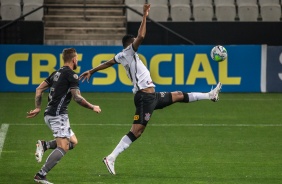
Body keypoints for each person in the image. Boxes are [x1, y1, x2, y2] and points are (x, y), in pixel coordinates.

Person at [79, 4, 222, 175]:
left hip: (151, 95)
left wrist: (91, 71)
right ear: (129, 44)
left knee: (177, 95)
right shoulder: (129, 51)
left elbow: (108, 63)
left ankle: (210, 94)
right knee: (137, 131)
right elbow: (141, 35)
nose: (137, 44)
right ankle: (111, 157)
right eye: (134, 43)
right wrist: (144, 15)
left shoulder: (122, 55)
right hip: (144, 98)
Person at [27, 48, 101, 184]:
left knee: (73, 142)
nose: (77, 61)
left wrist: (38, 107)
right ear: (73, 59)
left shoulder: (56, 73)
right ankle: (40, 175)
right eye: (77, 59)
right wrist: (92, 107)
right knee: (64, 147)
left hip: (52, 113)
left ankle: (45, 145)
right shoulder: (72, 75)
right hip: (57, 115)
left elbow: (39, 89)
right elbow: (77, 98)